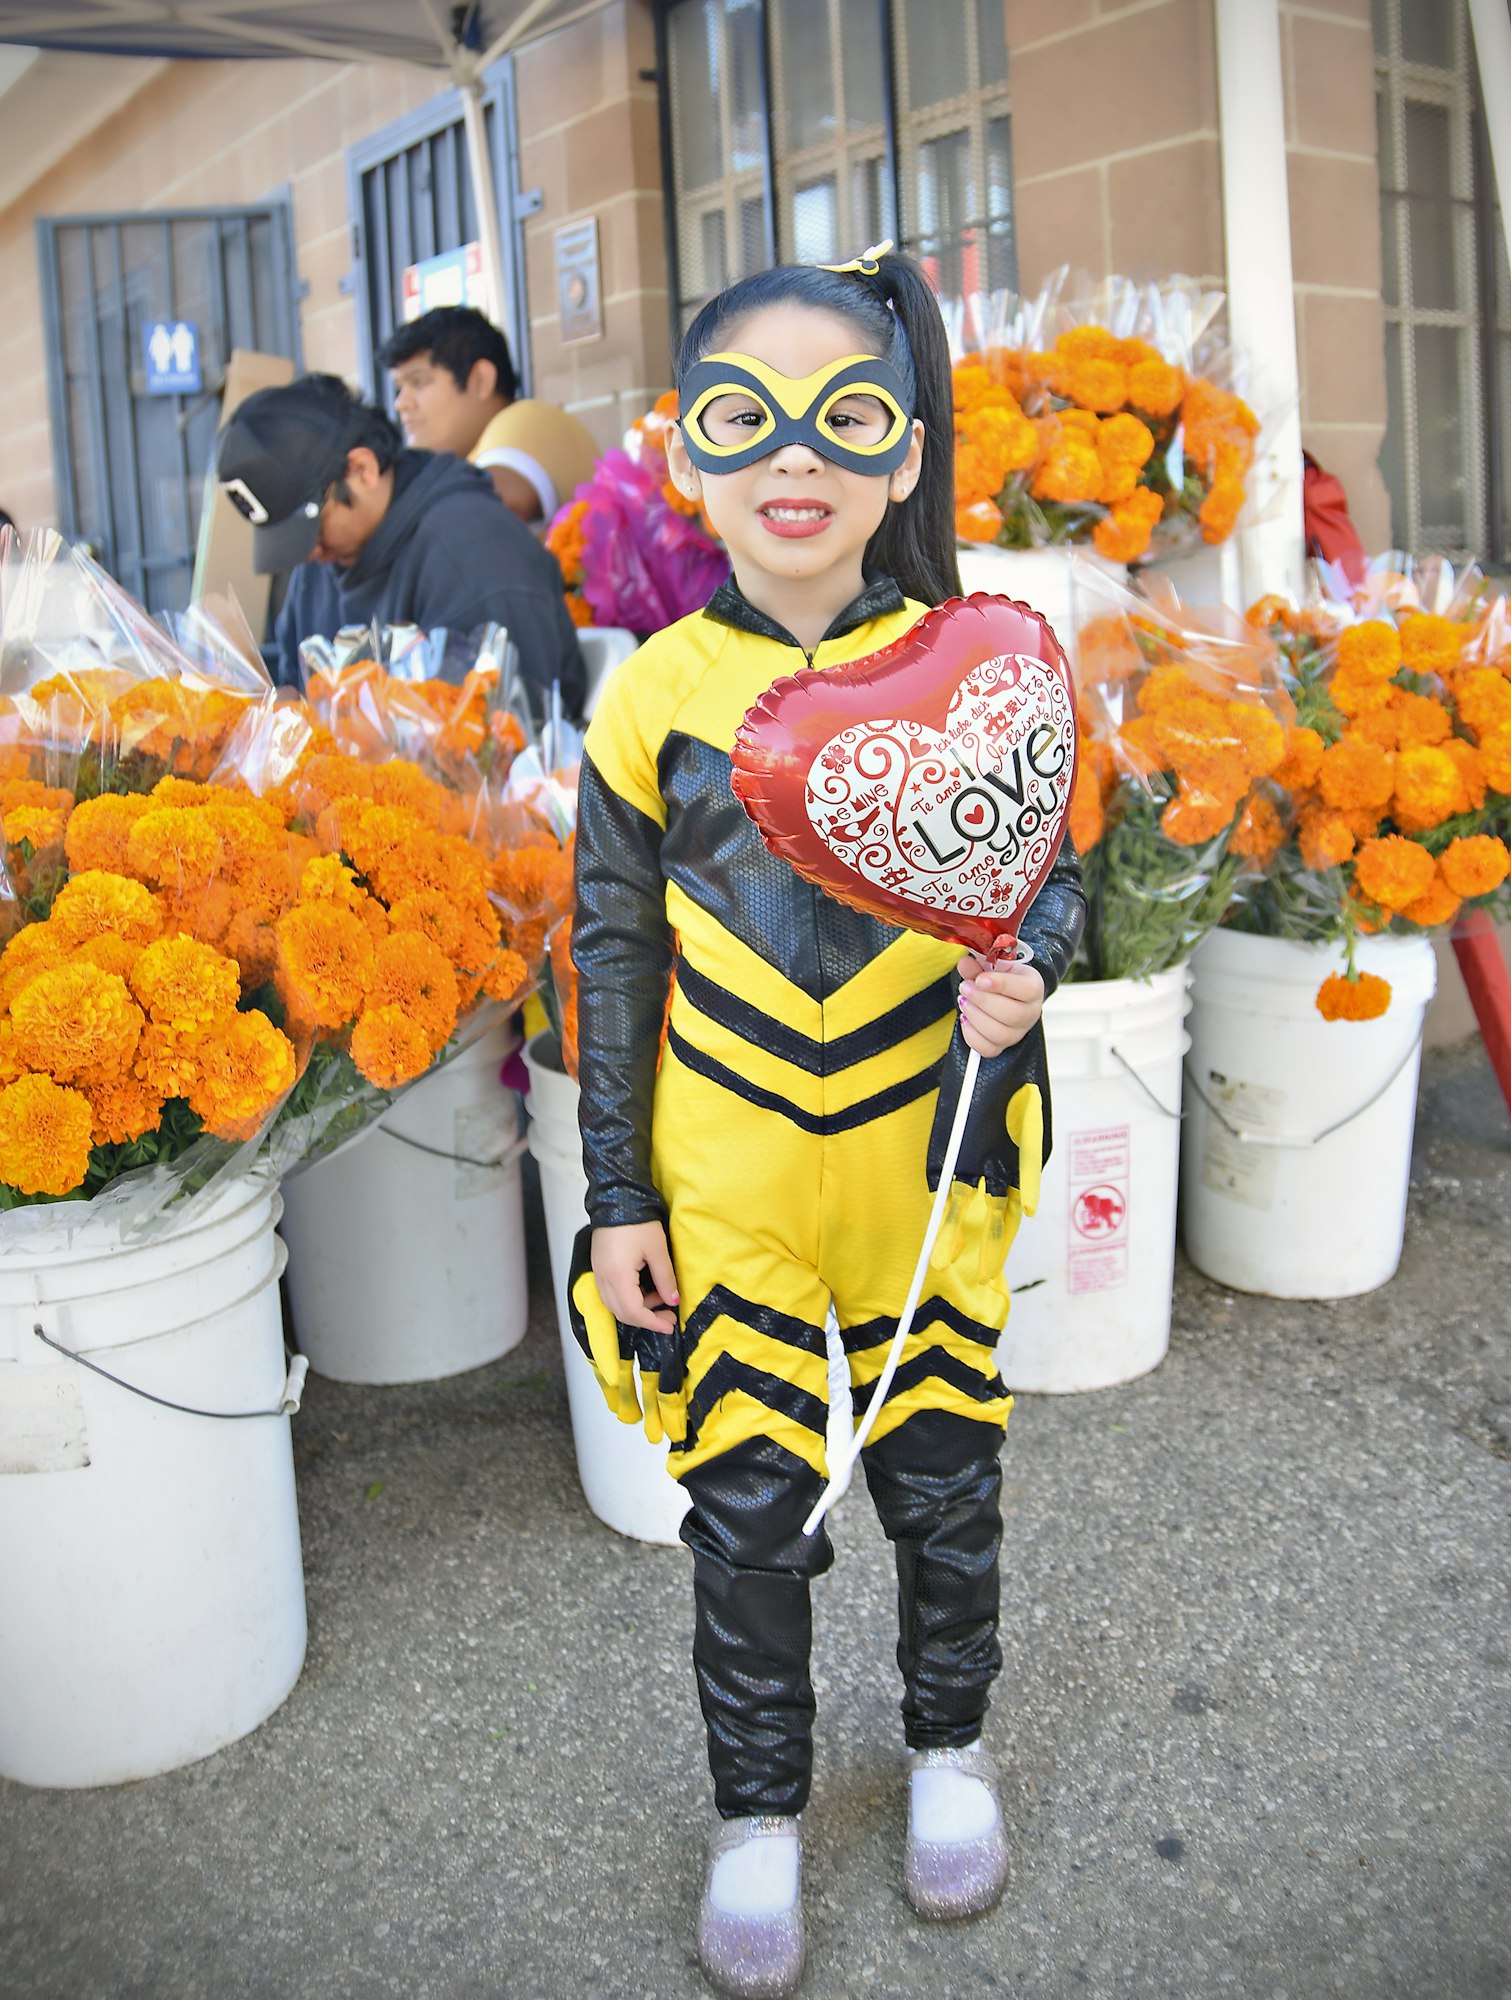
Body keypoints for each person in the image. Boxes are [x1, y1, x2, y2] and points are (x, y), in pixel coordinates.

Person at [568, 246, 1085, 1998]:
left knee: (946, 1483)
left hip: (923, 1152)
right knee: (750, 1511)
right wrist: (617, 1193)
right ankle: (758, 1811)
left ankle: (949, 1746)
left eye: (843, 419)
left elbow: (1049, 880)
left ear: (905, 458)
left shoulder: (973, 658)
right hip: (725, 1180)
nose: (794, 459)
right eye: (745, 420)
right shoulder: (647, 695)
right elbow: (614, 948)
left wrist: (1028, 979)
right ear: (692, 460)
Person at [215, 372, 585, 717]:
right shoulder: (319, 565)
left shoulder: (474, 553)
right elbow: (293, 689)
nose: (309, 552)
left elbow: (506, 737)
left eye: (311, 528)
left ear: (362, 469)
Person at [378, 306, 599, 530]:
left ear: (481, 381)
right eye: (399, 389)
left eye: (419, 382)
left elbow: (484, 508)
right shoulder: (469, 460)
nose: (401, 403)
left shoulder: (528, 419)